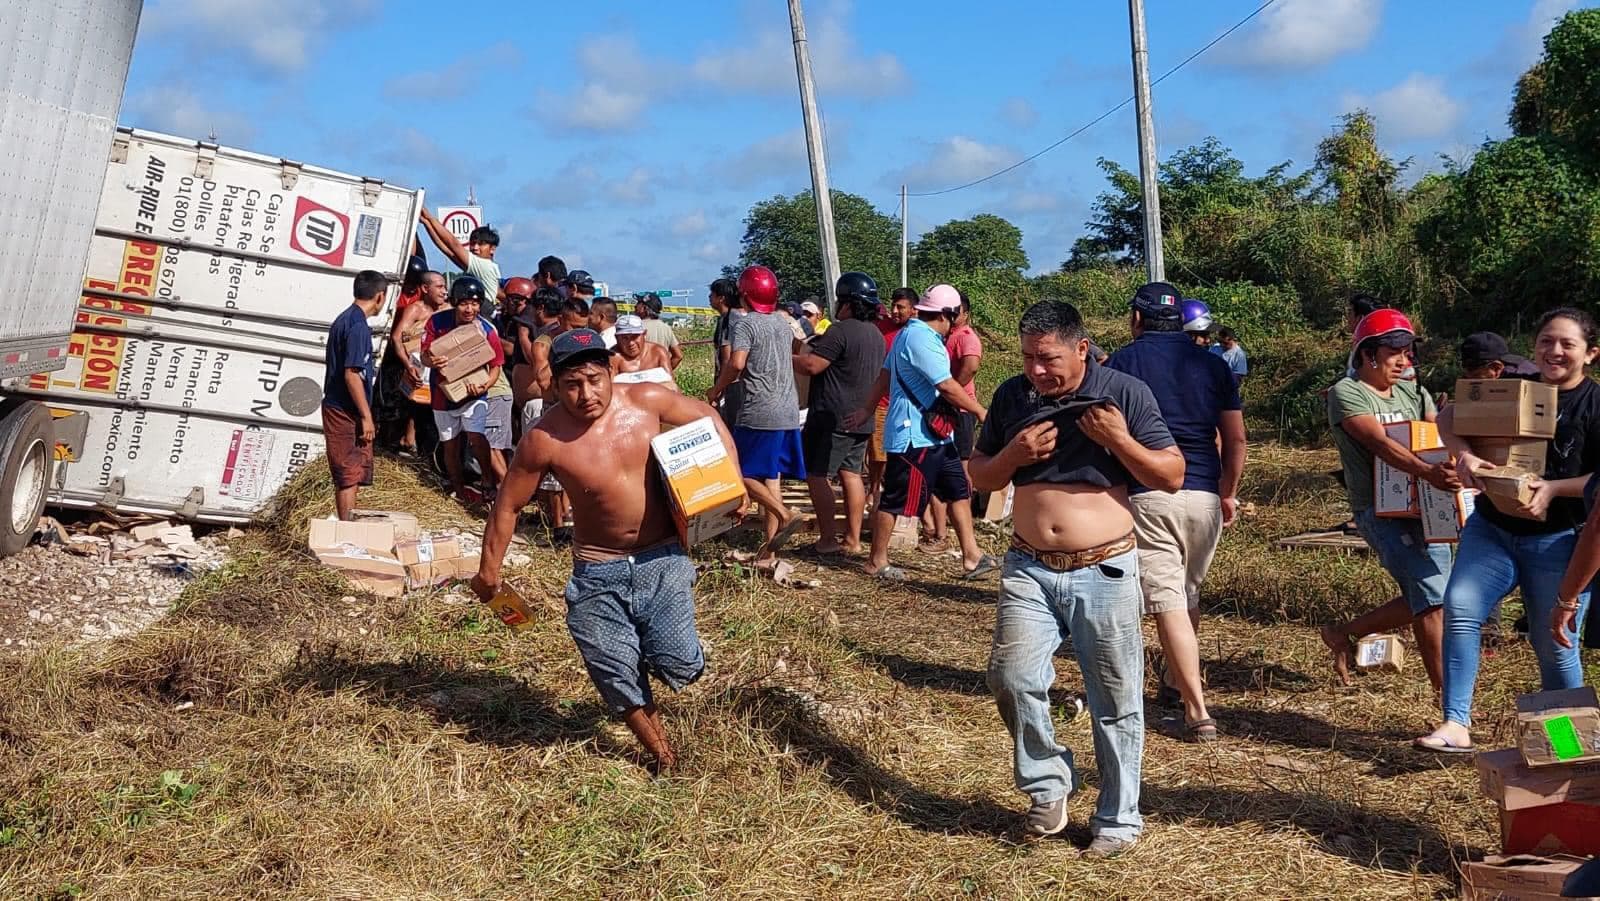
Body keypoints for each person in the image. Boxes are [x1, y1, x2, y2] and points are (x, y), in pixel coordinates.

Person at [472, 328, 740, 774]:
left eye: (594, 379)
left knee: (681, 664)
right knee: (614, 672)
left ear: (611, 371)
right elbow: (509, 504)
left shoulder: (647, 401)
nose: (586, 393)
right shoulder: (544, 439)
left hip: (663, 560)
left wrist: (731, 476)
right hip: (598, 570)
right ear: (555, 386)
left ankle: (656, 655)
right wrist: (489, 571)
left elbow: (708, 418)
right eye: (572, 385)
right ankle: (665, 758)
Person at [969, 299, 1183, 856]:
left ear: (1081, 348)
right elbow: (979, 473)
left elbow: (1173, 474)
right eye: (1027, 358)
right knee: (1010, 676)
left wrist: (1118, 440)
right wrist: (1015, 453)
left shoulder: (1124, 394)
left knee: (1114, 698)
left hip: (1104, 567)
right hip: (1028, 566)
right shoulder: (1013, 397)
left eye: (1048, 358)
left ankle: (1118, 817)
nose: (1037, 370)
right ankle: (1049, 784)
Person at [1415, 308, 1600, 753]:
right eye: (1545, 341)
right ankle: (1456, 723)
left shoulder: (1595, 406)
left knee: (1553, 644)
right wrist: (1464, 455)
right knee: (1460, 606)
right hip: (1493, 529)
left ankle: (1566, 747)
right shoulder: (1514, 388)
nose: (1553, 351)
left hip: (1560, 541)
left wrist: (1554, 488)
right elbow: (1448, 416)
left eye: (1567, 344)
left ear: (1591, 354)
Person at [1106, 283, 1246, 743]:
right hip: (1204, 495)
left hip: (1149, 493)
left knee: (1167, 601)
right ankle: (1172, 680)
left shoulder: (1121, 364)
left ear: (1137, 319)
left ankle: (1196, 709)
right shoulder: (1213, 365)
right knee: (1186, 594)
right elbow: (1237, 439)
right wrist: (1227, 491)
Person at [1319, 310, 1458, 692]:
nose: (1403, 360)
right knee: (1431, 600)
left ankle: (1342, 632)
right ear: (1367, 355)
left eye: (1407, 352)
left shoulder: (1414, 392)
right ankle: (1449, 702)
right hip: (1380, 512)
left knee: (1436, 595)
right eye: (1394, 352)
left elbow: (1437, 431)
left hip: (1428, 508)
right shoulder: (1347, 393)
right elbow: (1379, 444)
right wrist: (1428, 472)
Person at [850, 284, 994, 582]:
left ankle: (972, 556)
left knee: (958, 491)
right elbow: (946, 385)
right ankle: (876, 560)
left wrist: (866, 408)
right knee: (896, 499)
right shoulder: (921, 339)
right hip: (914, 435)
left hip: (936, 435)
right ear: (946, 315)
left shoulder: (912, 335)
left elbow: (884, 376)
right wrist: (980, 411)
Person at [706, 265, 806, 565]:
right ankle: (769, 552)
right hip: (788, 409)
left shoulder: (744, 324)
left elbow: (736, 364)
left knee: (741, 474)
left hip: (759, 409)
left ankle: (785, 514)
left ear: (745, 295)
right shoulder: (781, 322)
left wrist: (716, 390)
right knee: (770, 479)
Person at [793, 271, 885, 557]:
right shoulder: (876, 334)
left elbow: (813, 366)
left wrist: (783, 355)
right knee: (852, 475)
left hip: (832, 417)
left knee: (817, 475)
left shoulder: (840, 330)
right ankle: (853, 540)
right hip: (861, 418)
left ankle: (828, 539)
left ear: (847, 302)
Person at [422, 276, 506, 504]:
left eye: (475, 304)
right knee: (450, 443)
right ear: (455, 303)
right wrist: (432, 362)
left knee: (477, 437)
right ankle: (458, 489)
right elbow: (424, 355)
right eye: (464, 303)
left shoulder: (487, 329)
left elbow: (496, 365)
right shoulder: (436, 323)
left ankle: (487, 481)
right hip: (443, 395)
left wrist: (485, 385)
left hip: (475, 394)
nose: (470, 309)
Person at [921, 288, 983, 553]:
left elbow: (971, 365)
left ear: (963, 314)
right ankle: (941, 530)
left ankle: (956, 528)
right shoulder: (946, 336)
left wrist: (953, 391)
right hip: (949, 406)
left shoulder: (966, 337)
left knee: (960, 468)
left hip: (960, 410)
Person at [323, 271, 387, 520]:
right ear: (380, 297)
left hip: (343, 405)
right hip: (344, 408)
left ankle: (347, 523)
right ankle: (346, 528)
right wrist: (366, 415)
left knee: (353, 471)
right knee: (348, 472)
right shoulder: (358, 327)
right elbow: (352, 375)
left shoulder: (345, 319)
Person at [867, 288, 916, 502]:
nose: (895, 311)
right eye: (894, 306)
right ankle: (874, 489)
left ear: (913, 310)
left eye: (901, 307)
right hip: (882, 399)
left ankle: (898, 492)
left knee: (901, 451)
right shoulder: (880, 327)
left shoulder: (918, 332)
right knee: (877, 452)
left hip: (906, 402)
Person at [418, 210, 502, 304]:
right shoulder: (477, 267)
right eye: (473, 244)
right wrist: (426, 223)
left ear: (492, 249)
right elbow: (447, 250)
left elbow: (453, 243)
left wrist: (427, 215)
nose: (475, 248)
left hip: (481, 311)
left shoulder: (484, 265)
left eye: (481, 244)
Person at [611, 314, 675, 380]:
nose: (631, 343)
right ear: (617, 338)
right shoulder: (613, 357)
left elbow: (671, 384)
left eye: (635, 337)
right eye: (624, 338)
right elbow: (608, 388)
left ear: (644, 334)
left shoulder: (658, 353)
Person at [1460, 331, 1540, 380]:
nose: (1470, 382)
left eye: (1476, 376)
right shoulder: (1517, 366)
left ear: (1496, 368)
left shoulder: (1517, 379)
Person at [634, 293, 684, 371]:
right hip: (661, 380)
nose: (635, 306)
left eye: (638, 303)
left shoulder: (636, 327)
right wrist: (666, 372)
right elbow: (678, 356)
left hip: (641, 378)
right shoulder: (666, 328)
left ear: (644, 308)